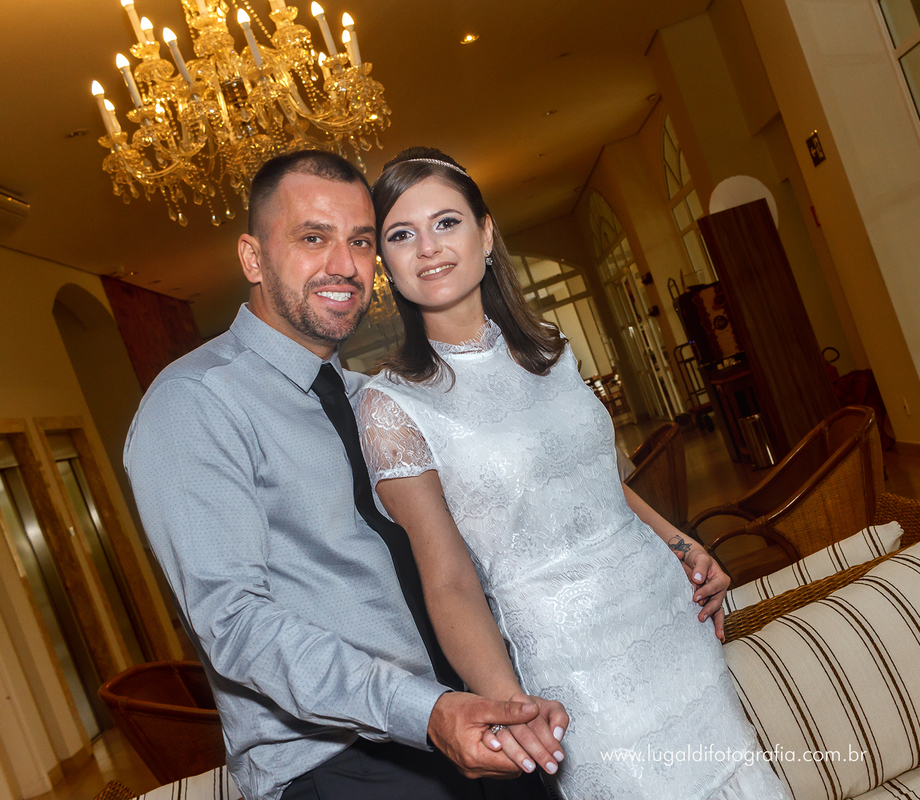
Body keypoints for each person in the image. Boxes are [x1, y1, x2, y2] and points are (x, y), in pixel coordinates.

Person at [124, 150, 565, 800]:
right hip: (337, 767)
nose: (343, 265)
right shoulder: (194, 402)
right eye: (312, 237)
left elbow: (475, 547)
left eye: (360, 241)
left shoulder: (374, 400)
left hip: (472, 719)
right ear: (252, 258)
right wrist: (427, 713)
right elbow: (235, 623)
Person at [355, 147, 790, 799]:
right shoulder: (392, 405)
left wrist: (682, 542)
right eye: (401, 234)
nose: (429, 248)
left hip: (671, 621)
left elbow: (598, 482)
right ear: (385, 261)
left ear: (487, 231)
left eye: (447, 222)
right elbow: (447, 581)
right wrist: (511, 706)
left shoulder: (549, 350)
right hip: (575, 665)